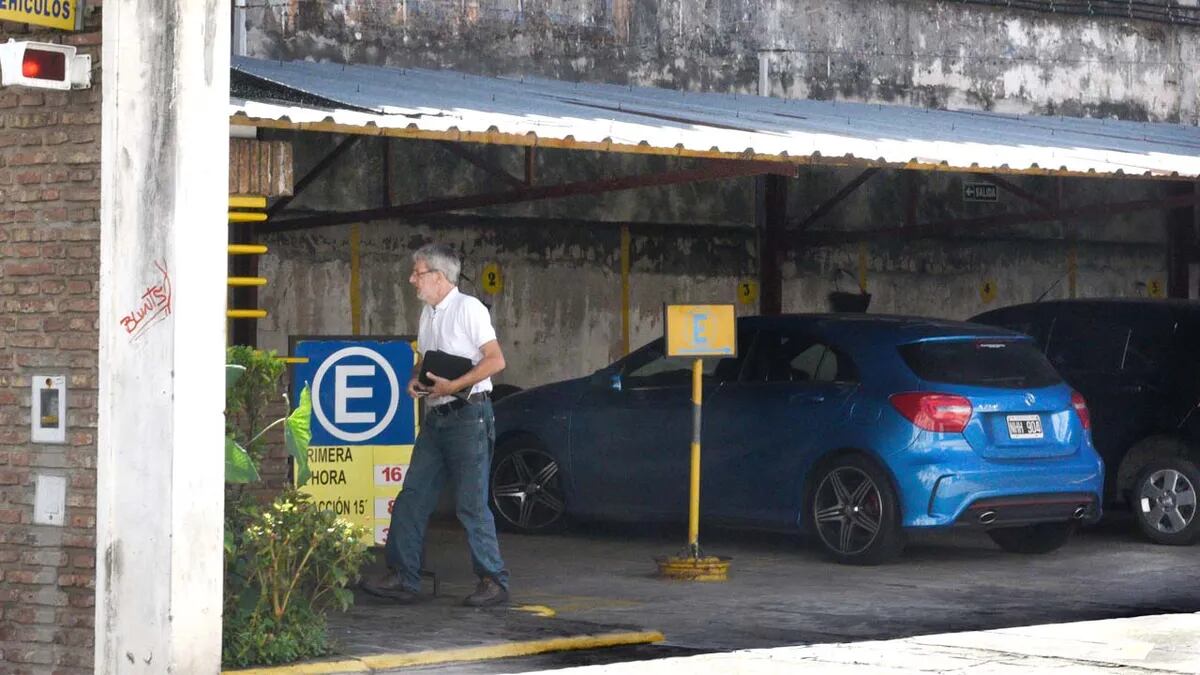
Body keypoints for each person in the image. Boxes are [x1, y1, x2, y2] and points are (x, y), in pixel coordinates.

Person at [364, 243, 510, 607]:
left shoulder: (468, 309)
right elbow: (427, 361)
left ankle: (493, 580)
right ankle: (403, 576)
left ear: (439, 277)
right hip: (438, 417)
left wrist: (453, 387)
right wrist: (418, 380)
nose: (412, 279)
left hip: (469, 417)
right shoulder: (428, 314)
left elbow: (495, 361)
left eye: (418, 273)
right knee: (413, 496)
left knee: (471, 504)